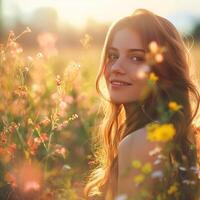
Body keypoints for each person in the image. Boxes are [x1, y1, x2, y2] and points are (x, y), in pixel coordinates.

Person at [84, 8, 200, 200]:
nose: (117, 68)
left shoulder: (140, 141)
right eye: (113, 56)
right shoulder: (178, 133)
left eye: (136, 58)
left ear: (164, 71)